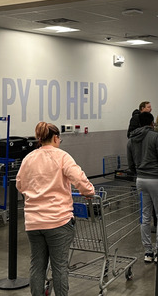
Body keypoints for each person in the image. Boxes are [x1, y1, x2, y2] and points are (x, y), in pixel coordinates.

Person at [16, 122, 95, 296]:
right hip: (58, 221)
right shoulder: (62, 157)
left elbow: (20, 185)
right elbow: (80, 180)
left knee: (37, 266)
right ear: (55, 137)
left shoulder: (28, 158)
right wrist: (89, 192)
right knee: (59, 268)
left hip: (33, 222)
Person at [126, 111, 158, 263]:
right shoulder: (155, 136)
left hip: (140, 180)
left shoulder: (131, 139)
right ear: (151, 122)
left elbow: (130, 163)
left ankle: (148, 252)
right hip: (156, 179)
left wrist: (138, 173)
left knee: (145, 216)